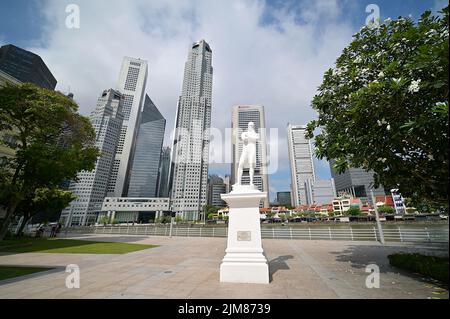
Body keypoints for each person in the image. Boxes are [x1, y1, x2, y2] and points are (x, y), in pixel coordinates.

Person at [236, 122, 259, 186]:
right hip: (245, 151)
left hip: (252, 150)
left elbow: (256, 138)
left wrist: (249, 137)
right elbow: (244, 138)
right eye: (249, 125)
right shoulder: (244, 133)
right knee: (240, 164)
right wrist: (250, 137)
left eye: (252, 125)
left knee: (251, 166)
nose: (250, 127)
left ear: (253, 126)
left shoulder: (256, 134)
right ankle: (239, 182)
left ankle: (251, 182)